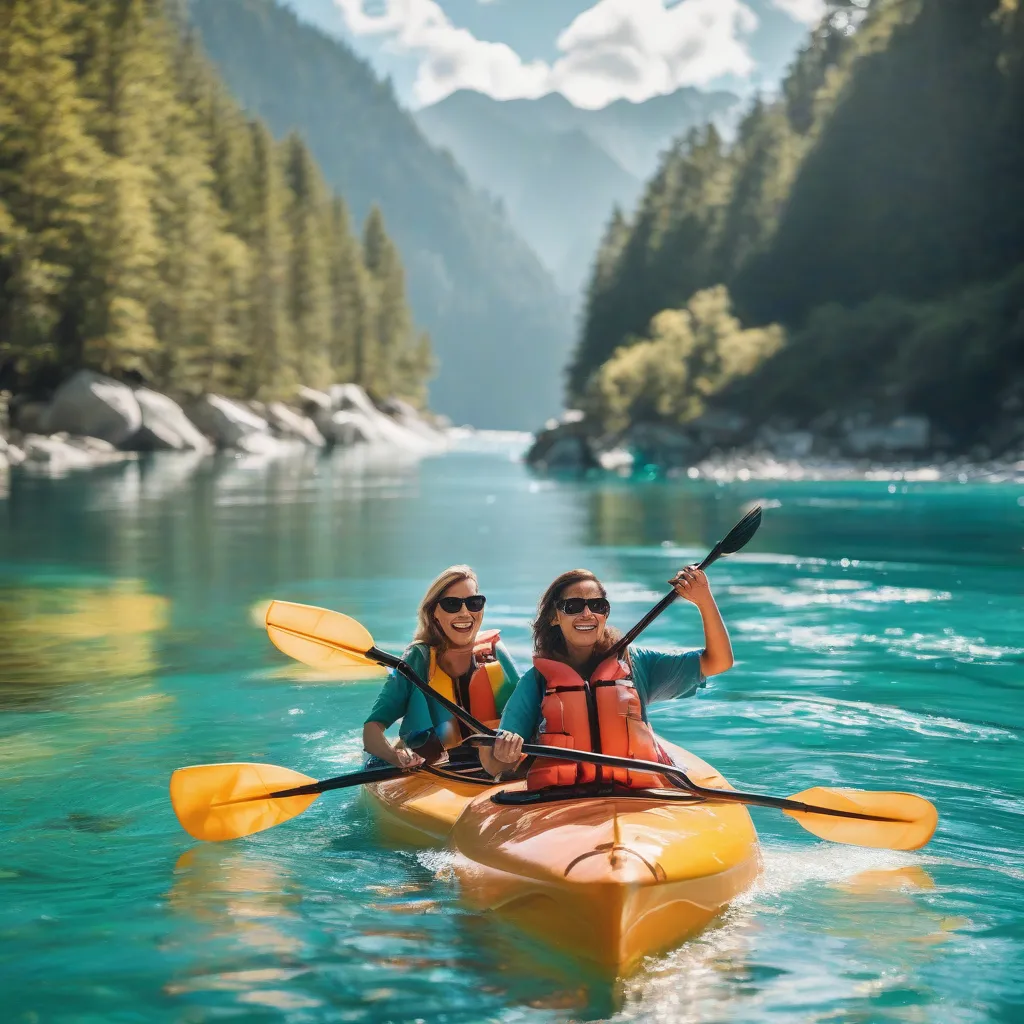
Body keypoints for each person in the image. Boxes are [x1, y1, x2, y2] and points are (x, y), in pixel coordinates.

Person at [479, 566, 733, 787]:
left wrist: (703, 600)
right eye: (573, 606)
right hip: (562, 799)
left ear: (606, 614)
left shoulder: (636, 663)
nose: (587, 614)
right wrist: (504, 755)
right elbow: (493, 765)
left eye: (597, 606)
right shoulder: (536, 681)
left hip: (637, 793)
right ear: (554, 618)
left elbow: (719, 662)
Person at [362, 565, 520, 770]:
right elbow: (372, 730)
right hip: (434, 768)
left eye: (474, 603)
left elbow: (530, 717)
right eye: (451, 604)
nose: (465, 612)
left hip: (497, 765)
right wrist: (394, 757)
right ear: (434, 612)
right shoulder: (418, 659)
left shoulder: (494, 652)